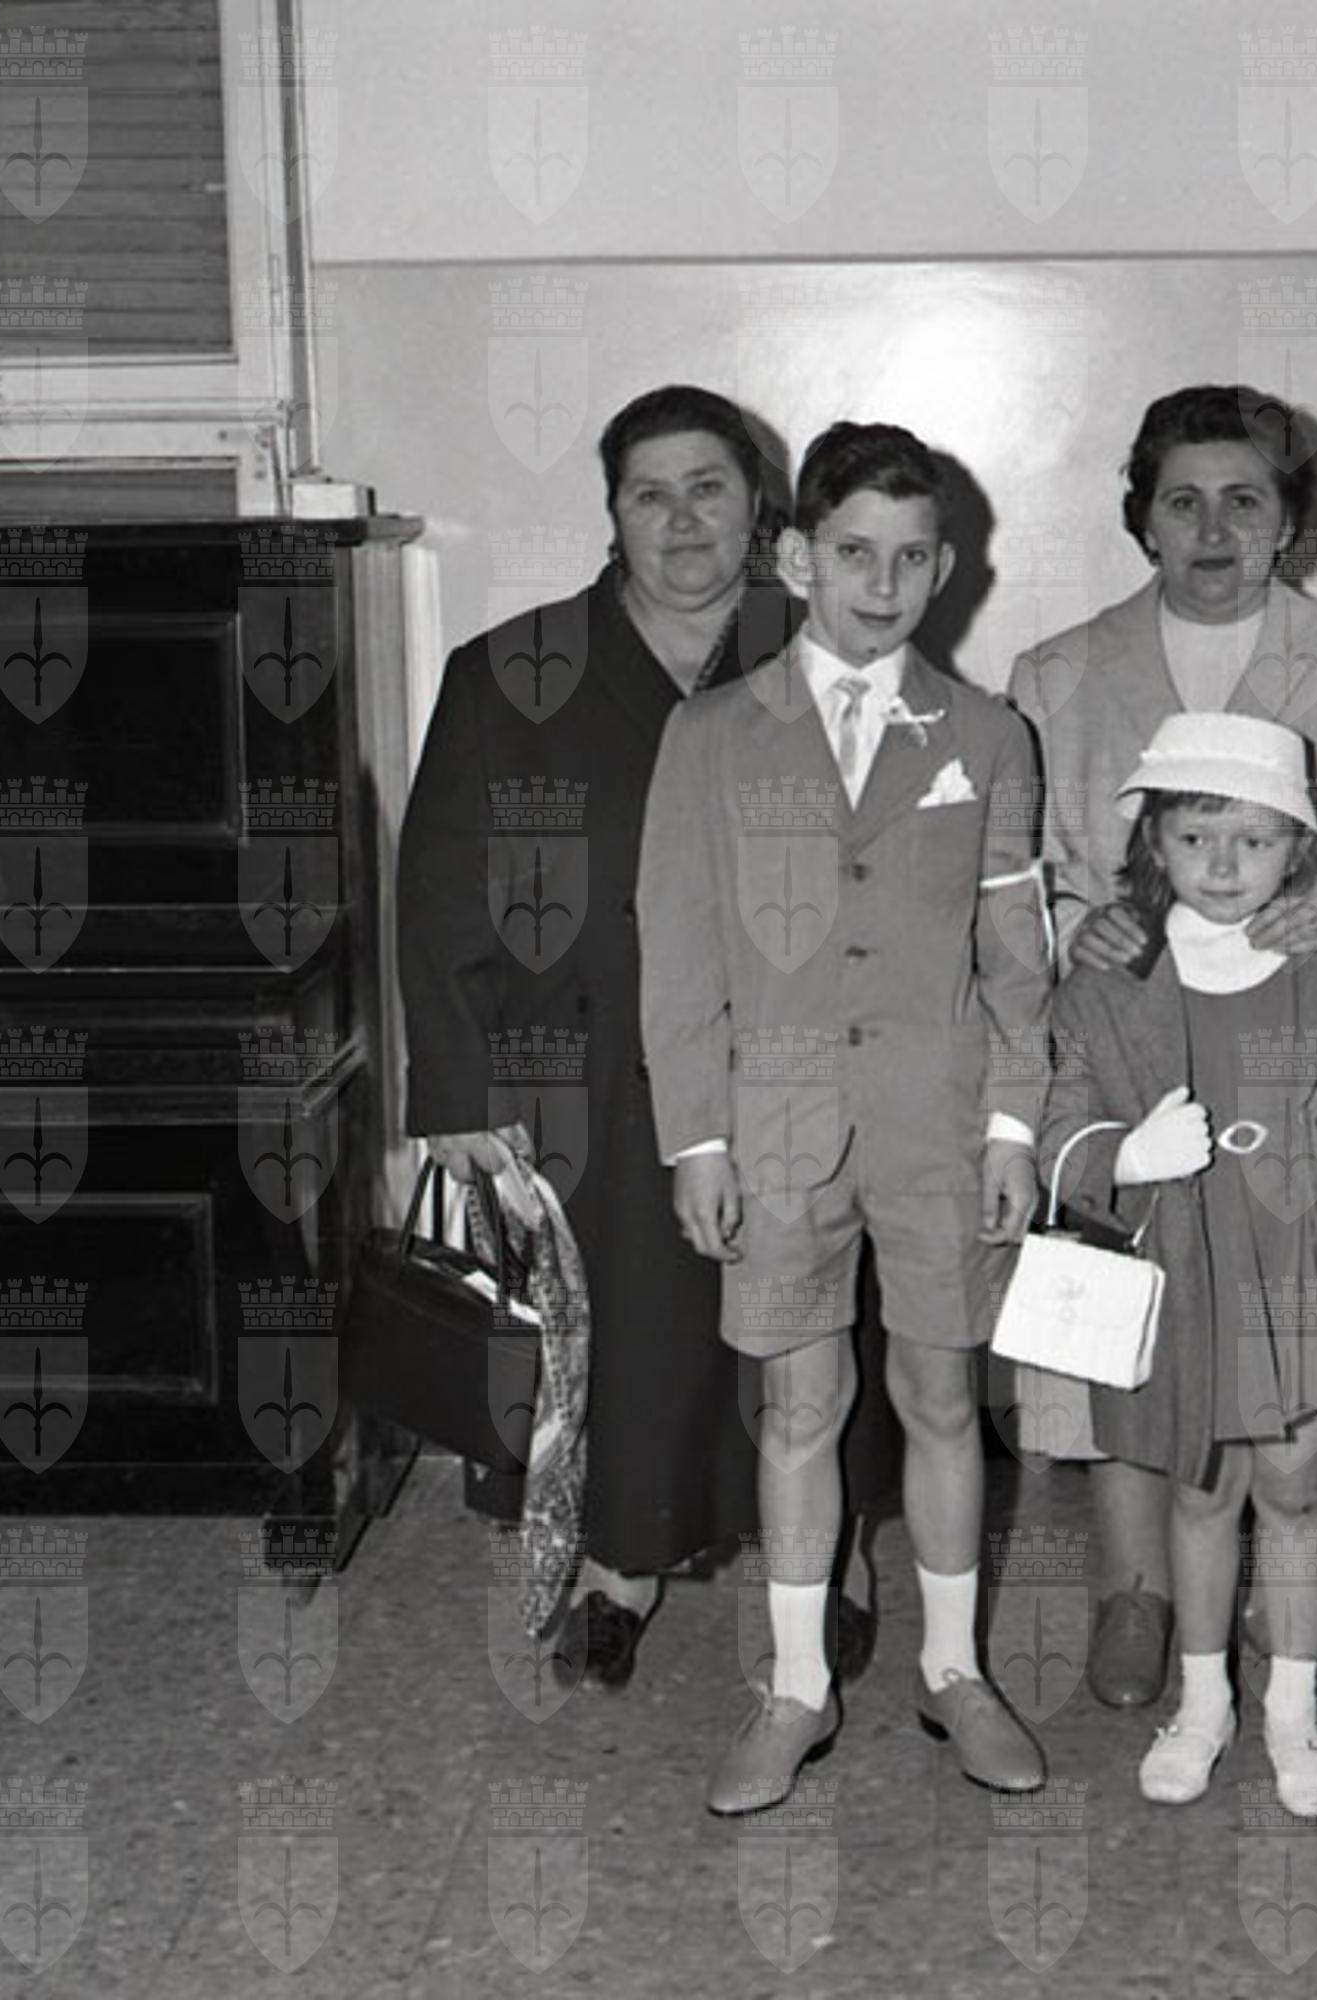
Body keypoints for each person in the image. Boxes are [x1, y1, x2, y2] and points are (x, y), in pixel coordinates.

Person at [396, 384, 890, 1694]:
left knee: (808, 1325)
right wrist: (453, 1093)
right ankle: (619, 1565)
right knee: (623, 1335)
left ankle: (830, 1557)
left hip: (794, 1064)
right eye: (648, 494)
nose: (681, 519)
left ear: (758, 505)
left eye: (708, 488)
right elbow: (438, 891)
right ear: (612, 513)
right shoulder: (509, 671)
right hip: (582, 1063)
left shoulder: (832, 653)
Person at [1007, 383, 1317, 1712]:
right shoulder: (1053, 673)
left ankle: (1286, 1607)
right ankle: (1133, 1590)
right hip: (1129, 1033)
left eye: (1243, 501)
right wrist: (1074, 923)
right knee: (1132, 1308)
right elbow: (1006, 871)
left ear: (1288, 523)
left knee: (1288, 1335)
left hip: (1296, 1049)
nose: (1212, 529)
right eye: (1182, 501)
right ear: (1140, 520)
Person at [637, 421, 1051, 1814]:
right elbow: (678, 953)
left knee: (942, 1400)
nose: (883, 584)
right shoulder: (710, 734)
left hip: (939, 1125)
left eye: (912, 557)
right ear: (797, 556)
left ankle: (953, 1669)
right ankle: (796, 1686)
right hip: (775, 1129)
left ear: (945, 566)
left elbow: (1016, 961)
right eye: (854, 553)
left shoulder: (986, 736)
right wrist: (697, 1139)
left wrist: (1012, 1130)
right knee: (798, 1408)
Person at [1040, 711, 1317, 1813]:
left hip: (1311, 1271)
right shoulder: (1112, 975)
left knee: (1298, 1490)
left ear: (1299, 846)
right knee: (1201, 1488)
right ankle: (1203, 1700)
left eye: (1254, 840)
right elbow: (1059, 1120)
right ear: (1153, 843)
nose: (1223, 867)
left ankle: (1292, 1707)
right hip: (1190, 1271)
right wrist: (1126, 1155)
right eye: (1194, 838)